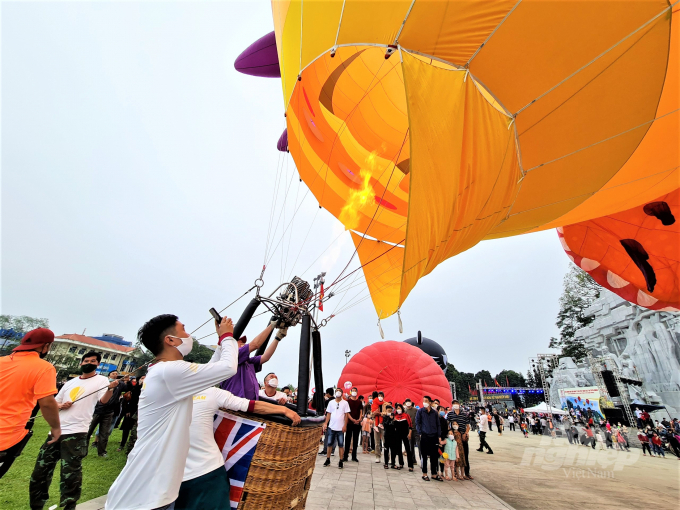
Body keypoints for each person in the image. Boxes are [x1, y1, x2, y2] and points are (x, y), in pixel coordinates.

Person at [105, 314, 240, 510]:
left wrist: (222, 342)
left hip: (154, 492)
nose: (189, 334)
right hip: (141, 496)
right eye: (183, 329)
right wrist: (227, 336)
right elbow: (227, 367)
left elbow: (210, 370)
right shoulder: (169, 372)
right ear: (170, 340)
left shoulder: (164, 372)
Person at [176, 385, 300, 509]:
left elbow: (250, 406)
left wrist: (284, 410)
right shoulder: (165, 396)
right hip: (174, 478)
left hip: (205, 475)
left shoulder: (209, 393)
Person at [30, 351, 117, 510]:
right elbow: (56, 402)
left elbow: (103, 401)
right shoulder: (71, 382)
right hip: (55, 432)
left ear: (98, 364)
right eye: (85, 361)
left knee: (70, 475)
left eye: (92, 361)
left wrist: (110, 389)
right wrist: (61, 406)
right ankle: (36, 505)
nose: (88, 363)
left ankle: (69, 507)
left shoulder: (101, 380)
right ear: (81, 363)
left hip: (76, 433)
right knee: (40, 472)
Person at [0, 328, 60, 479]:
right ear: (45, 346)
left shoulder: (2, 361)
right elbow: (46, 403)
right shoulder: (44, 368)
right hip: (6, 437)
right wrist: (56, 427)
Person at [87, 370, 130, 457]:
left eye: (116, 374)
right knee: (88, 430)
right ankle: (81, 448)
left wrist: (127, 381)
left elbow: (128, 389)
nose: (115, 375)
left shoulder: (120, 384)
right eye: (113, 374)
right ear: (109, 375)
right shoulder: (103, 382)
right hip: (97, 410)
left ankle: (102, 452)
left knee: (105, 433)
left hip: (109, 411)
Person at [416, 396, 442, 482]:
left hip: (434, 436)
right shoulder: (420, 411)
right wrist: (420, 433)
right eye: (423, 401)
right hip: (424, 435)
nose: (424, 402)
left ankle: (434, 474)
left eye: (426, 401)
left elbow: (438, 424)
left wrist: (439, 436)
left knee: (434, 456)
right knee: (424, 455)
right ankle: (424, 474)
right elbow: (417, 423)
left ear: (430, 402)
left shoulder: (434, 413)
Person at [323, 388, 349, 469]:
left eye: (340, 391)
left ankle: (341, 460)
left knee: (341, 444)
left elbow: (346, 415)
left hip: (340, 428)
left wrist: (345, 425)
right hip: (332, 426)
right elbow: (328, 413)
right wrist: (325, 423)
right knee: (329, 443)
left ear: (342, 393)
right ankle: (328, 459)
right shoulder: (331, 402)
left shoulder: (345, 403)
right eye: (337, 391)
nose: (338, 392)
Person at [447, 399, 472, 480]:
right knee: (454, 455)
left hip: (463, 437)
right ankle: (455, 473)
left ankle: (466, 473)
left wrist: (465, 433)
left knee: (465, 455)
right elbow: (447, 425)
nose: (455, 405)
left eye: (456, 403)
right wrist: (450, 432)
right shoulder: (450, 414)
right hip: (454, 438)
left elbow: (468, 426)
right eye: (453, 403)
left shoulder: (464, 414)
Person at [343, 387, 363, 463]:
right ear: (351, 392)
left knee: (355, 439)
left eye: (355, 391)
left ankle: (354, 456)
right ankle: (345, 456)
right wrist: (352, 419)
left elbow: (361, 411)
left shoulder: (359, 402)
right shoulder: (348, 401)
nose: (354, 392)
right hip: (349, 422)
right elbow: (347, 412)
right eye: (353, 391)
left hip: (357, 423)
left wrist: (359, 419)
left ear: (357, 392)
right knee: (347, 439)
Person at [393, 403, 412, 471]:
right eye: (397, 408)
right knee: (399, 449)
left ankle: (410, 465)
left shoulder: (406, 416)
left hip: (405, 434)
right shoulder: (395, 416)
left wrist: (409, 434)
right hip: (397, 434)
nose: (399, 409)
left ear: (402, 409)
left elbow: (410, 426)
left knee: (408, 449)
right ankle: (401, 463)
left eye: (400, 408)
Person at [318, 388, 336, 456]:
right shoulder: (336, 400)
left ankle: (326, 450)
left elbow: (326, 412)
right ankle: (332, 450)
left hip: (329, 420)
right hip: (335, 420)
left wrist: (325, 422)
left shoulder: (327, 401)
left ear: (328, 393)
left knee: (327, 436)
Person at [372, 391, 386, 463]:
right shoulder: (374, 403)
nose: (380, 396)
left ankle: (387, 457)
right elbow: (372, 414)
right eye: (379, 395)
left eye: (381, 395)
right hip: (376, 425)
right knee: (377, 442)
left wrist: (380, 413)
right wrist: (374, 413)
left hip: (383, 425)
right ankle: (377, 456)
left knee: (385, 441)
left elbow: (387, 413)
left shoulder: (385, 404)